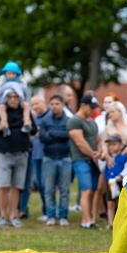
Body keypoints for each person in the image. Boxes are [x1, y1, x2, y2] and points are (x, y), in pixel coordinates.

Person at [0, 89, 37, 228]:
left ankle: (13, 216)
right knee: (3, 185)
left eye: (16, 97)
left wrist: (28, 123)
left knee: (17, 186)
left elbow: (33, 130)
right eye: (10, 97)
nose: (13, 99)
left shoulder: (24, 111)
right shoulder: (0, 112)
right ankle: (2, 217)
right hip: (4, 153)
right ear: (6, 98)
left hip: (22, 153)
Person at [67, 94, 102, 228]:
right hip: (81, 160)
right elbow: (80, 142)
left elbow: (98, 140)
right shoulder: (74, 121)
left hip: (93, 161)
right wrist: (93, 154)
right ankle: (85, 221)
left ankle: (92, 219)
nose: (93, 110)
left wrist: (98, 152)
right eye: (91, 107)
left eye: (94, 107)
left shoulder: (92, 122)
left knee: (93, 190)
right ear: (83, 105)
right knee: (86, 190)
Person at [40, 94, 72, 226]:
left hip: (65, 158)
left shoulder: (69, 121)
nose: (54, 106)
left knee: (64, 190)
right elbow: (42, 138)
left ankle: (63, 215)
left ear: (63, 105)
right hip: (49, 159)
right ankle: (51, 215)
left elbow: (68, 135)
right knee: (49, 189)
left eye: (57, 104)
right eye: (52, 104)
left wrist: (52, 133)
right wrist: (60, 135)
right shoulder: (45, 121)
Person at [98, 135, 127, 229]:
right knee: (110, 202)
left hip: (120, 183)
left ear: (121, 145)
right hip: (110, 183)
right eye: (110, 145)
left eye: (114, 144)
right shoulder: (107, 157)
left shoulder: (124, 157)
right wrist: (102, 159)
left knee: (121, 202)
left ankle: (122, 222)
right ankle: (110, 223)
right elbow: (102, 168)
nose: (111, 147)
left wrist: (121, 176)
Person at [27, 95, 49, 220]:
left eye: (37, 104)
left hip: (47, 154)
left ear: (43, 102)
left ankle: (50, 211)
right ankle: (45, 210)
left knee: (48, 185)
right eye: (33, 104)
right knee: (40, 185)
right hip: (36, 155)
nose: (35, 107)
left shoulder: (50, 117)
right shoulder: (34, 119)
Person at [0, 61, 32, 136]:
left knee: (26, 105)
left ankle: (26, 123)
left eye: (13, 74)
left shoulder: (20, 80)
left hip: (19, 99)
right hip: (4, 99)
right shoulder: (3, 80)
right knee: (1, 107)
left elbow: (24, 88)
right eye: (9, 74)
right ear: (5, 74)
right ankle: (5, 125)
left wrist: (12, 86)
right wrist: (13, 86)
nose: (11, 76)